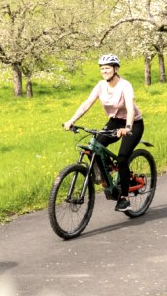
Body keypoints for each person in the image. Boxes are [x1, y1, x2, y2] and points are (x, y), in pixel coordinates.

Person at [62, 53, 146, 211]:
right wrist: (71, 120)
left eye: (107, 68)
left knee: (122, 159)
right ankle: (107, 178)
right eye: (102, 68)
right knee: (94, 147)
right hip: (114, 122)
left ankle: (125, 198)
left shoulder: (125, 85)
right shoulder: (101, 85)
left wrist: (127, 128)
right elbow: (87, 103)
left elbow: (130, 108)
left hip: (133, 123)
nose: (104, 71)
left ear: (115, 69)